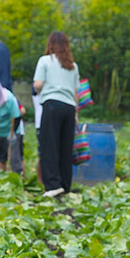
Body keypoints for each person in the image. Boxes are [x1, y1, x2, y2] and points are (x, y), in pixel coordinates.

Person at [33, 31, 79, 197]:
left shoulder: (45, 60)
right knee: (65, 148)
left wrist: (39, 88)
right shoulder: (73, 66)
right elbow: (75, 93)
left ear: (50, 44)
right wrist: (76, 114)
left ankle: (53, 186)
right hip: (69, 108)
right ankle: (65, 185)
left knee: (49, 146)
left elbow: (38, 84)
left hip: (52, 105)